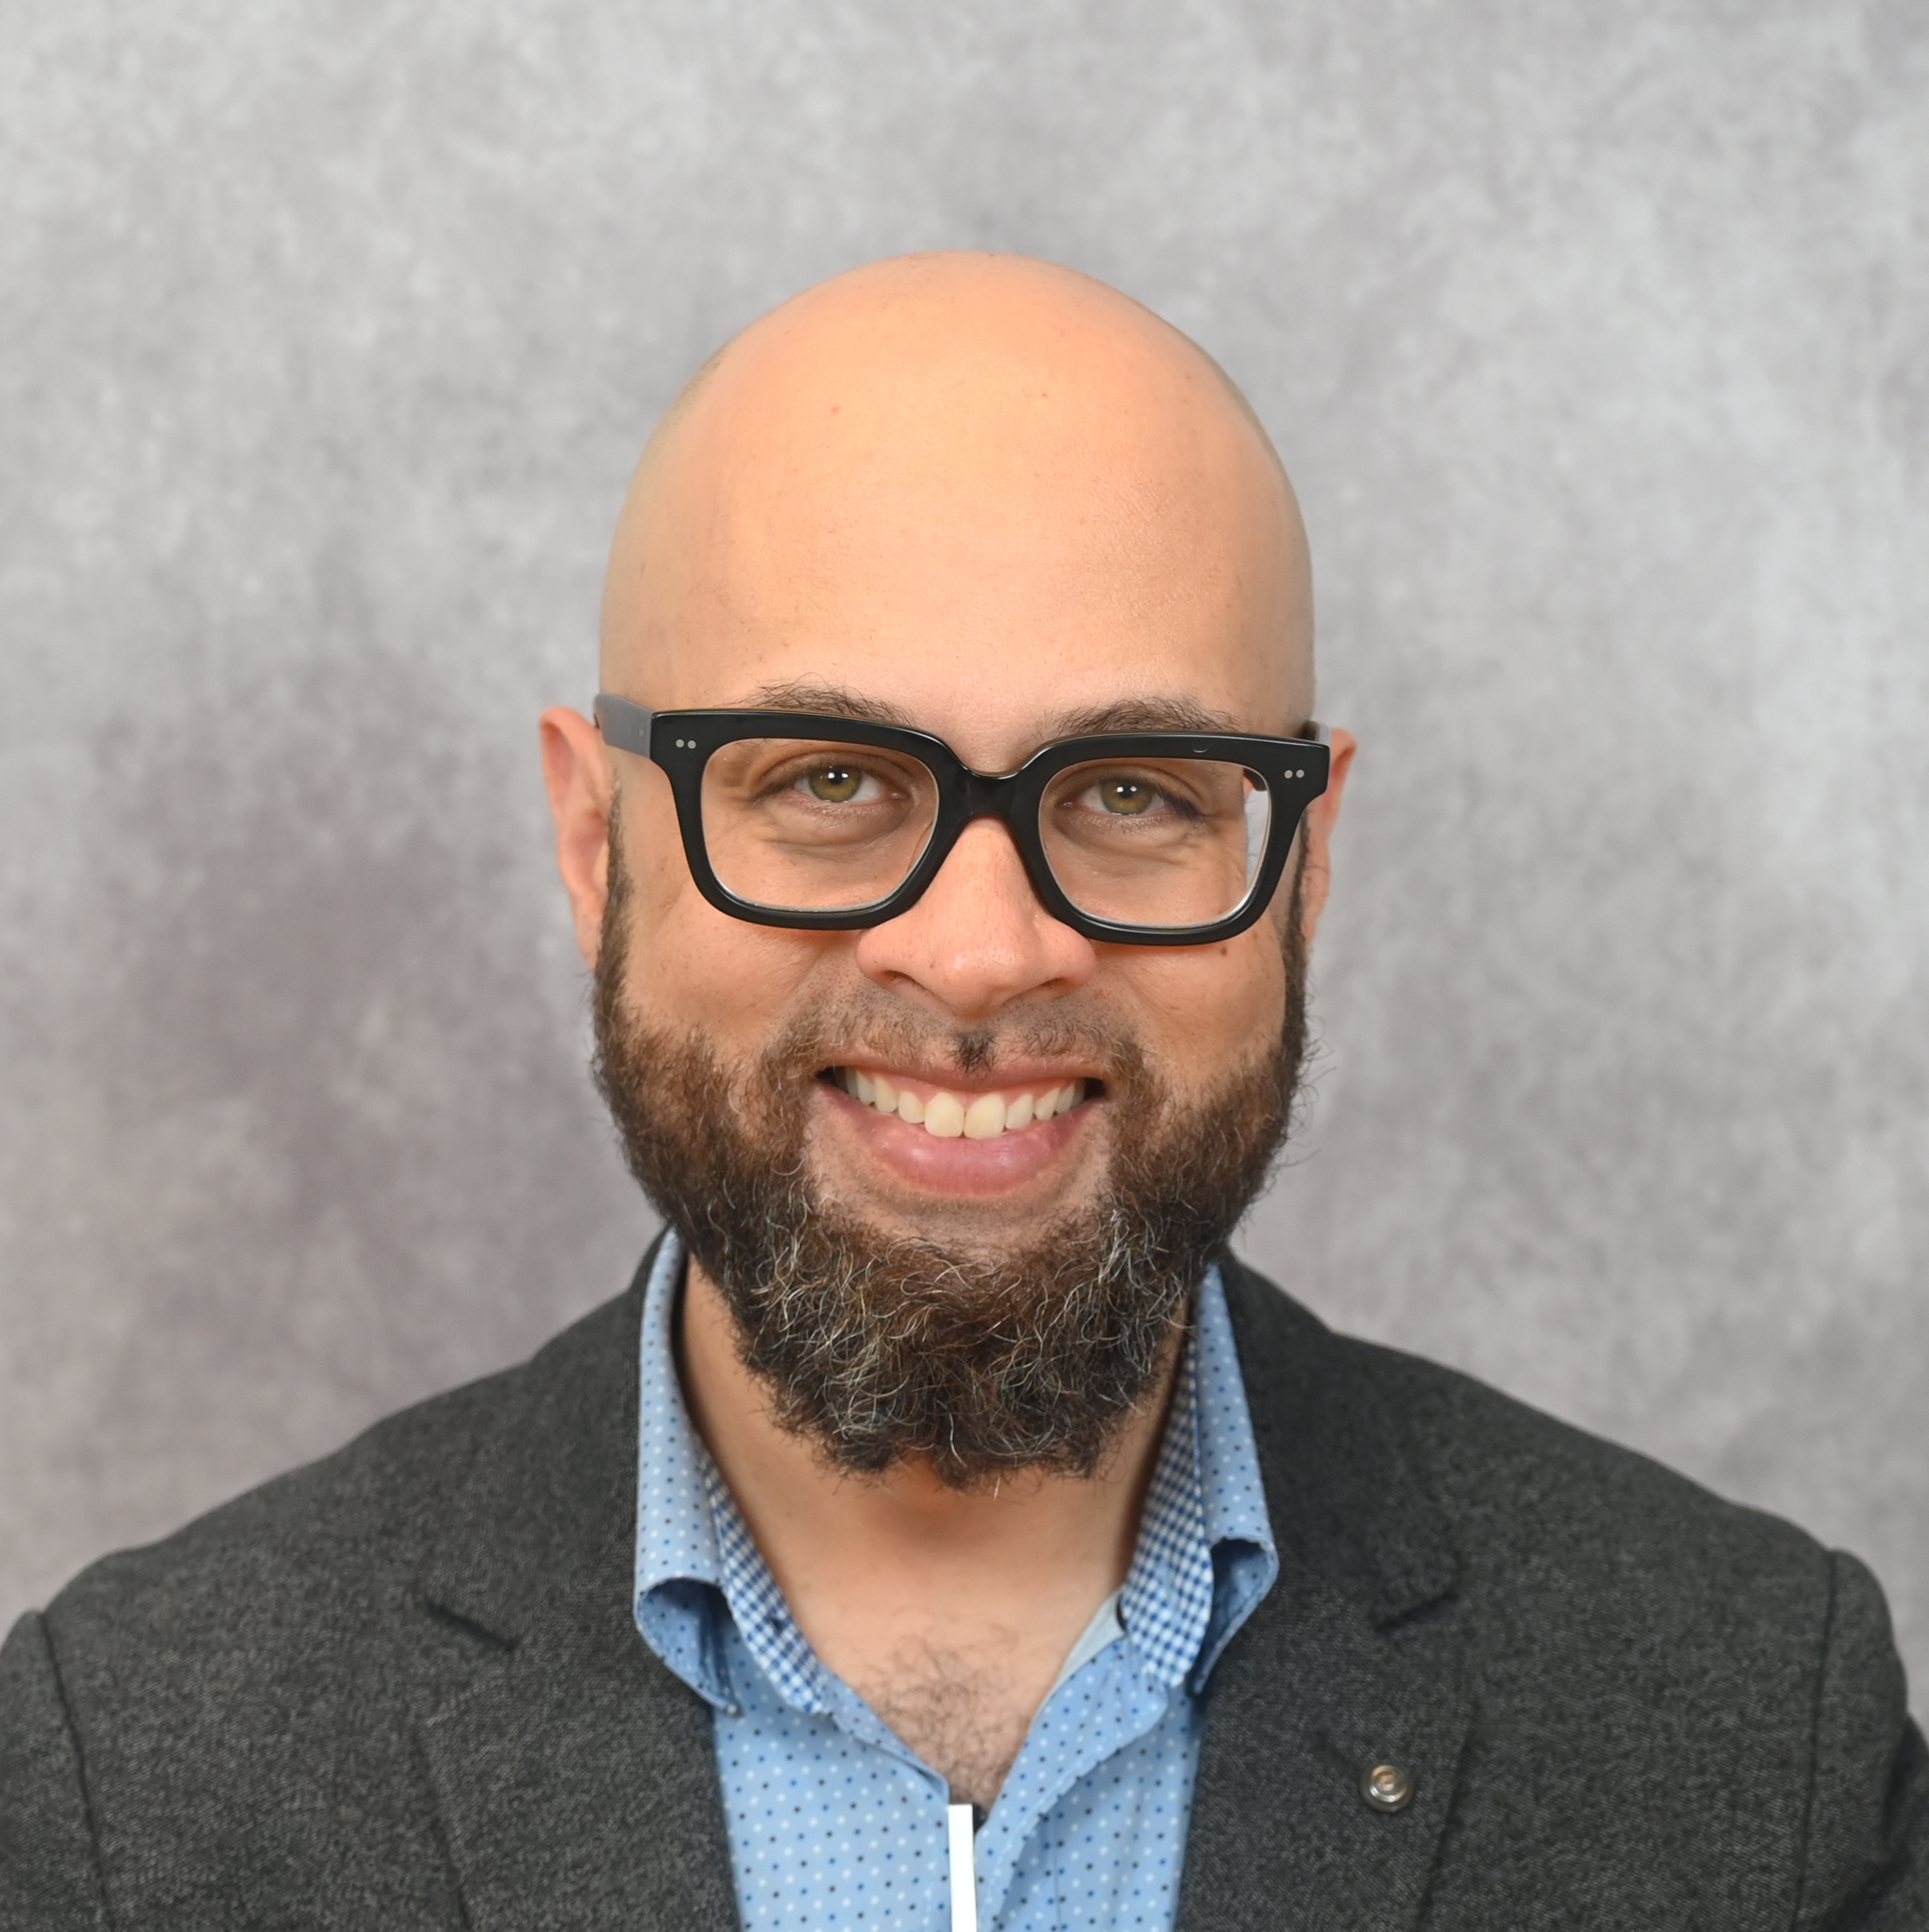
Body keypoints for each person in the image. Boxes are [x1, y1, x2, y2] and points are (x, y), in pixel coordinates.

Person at [1, 252, 1922, 1931]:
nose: (985, 951)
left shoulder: (1755, 1734)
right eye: (829, 778)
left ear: (1306, 862)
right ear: (599, 844)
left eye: (1136, 790)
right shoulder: (130, 1784)